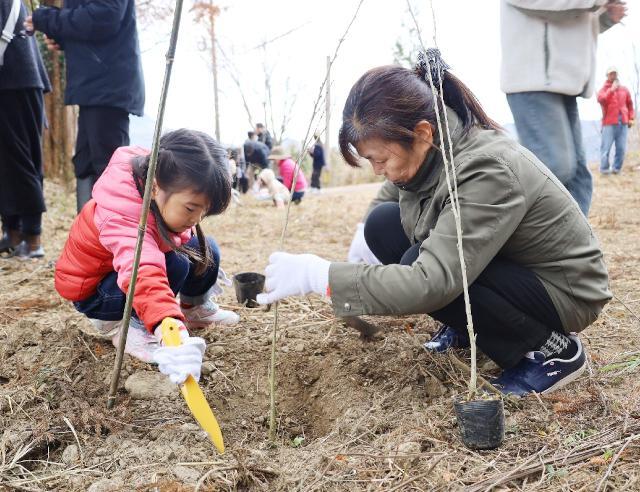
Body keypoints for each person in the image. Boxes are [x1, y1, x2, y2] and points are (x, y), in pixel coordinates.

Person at [257, 50, 612, 397]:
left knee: (420, 266)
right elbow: (390, 196)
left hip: (563, 289)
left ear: (422, 133)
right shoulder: (431, 146)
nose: (378, 170)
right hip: (511, 265)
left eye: (380, 158)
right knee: (381, 225)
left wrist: (321, 276)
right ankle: (467, 328)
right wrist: (361, 239)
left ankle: (552, 349)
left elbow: (430, 282)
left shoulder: (485, 168)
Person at [54, 130, 240, 384]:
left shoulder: (162, 173)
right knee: (175, 264)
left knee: (206, 249)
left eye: (204, 212)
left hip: (121, 274)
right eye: (190, 208)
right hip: (97, 292)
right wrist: (169, 329)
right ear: (154, 187)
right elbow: (143, 272)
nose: (196, 219)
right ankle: (124, 326)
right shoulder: (123, 216)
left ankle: (192, 307)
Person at [501, 0, 626, 216]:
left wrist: (605, 18)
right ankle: (522, 239)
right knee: (554, 169)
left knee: (578, 177)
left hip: (564, 83)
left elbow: (575, 21)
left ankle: (574, 246)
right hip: (534, 80)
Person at [25, 0, 145, 213]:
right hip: (96, 87)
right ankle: (90, 236)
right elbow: (95, 22)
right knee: (86, 163)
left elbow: (105, 16)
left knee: (109, 166)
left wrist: (48, 19)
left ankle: (112, 238)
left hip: (107, 87)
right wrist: (64, 38)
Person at [0, 0, 50, 259]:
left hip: (14, 79)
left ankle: (32, 238)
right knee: (12, 162)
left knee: (21, 161)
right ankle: (14, 232)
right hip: (20, 76)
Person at [597, 66, 634, 175]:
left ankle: (616, 169)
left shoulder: (624, 89)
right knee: (605, 148)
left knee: (621, 148)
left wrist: (631, 118)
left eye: (615, 73)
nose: (613, 76)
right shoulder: (604, 89)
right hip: (608, 123)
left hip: (623, 122)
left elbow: (630, 105)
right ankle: (604, 170)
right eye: (611, 74)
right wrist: (611, 90)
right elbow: (601, 99)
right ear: (607, 76)